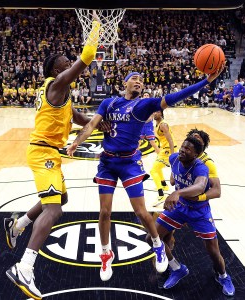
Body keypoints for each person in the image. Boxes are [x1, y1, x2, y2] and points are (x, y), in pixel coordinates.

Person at [67, 65, 224, 282]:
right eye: (134, 78)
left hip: (130, 163)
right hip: (108, 163)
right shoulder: (109, 102)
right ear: (125, 84)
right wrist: (76, 142)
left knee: (141, 212)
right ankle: (105, 253)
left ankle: (158, 245)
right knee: (104, 212)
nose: (139, 81)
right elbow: (91, 124)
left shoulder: (143, 105)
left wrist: (206, 82)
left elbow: (176, 96)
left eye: (141, 79)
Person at [3, 14, 107, 300]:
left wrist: (100, 122)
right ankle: (24, 267)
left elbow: (78, 117)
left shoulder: (61, 94)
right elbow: (87, 55)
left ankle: (19, 224)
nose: (68, 61)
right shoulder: (57, 83)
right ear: (55, 68)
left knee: (61, 198)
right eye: (64, 59)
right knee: (54, 210)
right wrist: (97, 23)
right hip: (42, 152)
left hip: (49, 151)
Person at [148, 133, 234, 296]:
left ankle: (223, 276)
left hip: (199, 211)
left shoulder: (205, 165)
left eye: (189, 147)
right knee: (153, 238)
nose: (183, 149)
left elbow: (206, 187)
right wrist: (177, 186)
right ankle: (176, 268)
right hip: (179, 207)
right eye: (184, 145)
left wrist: (182, 193)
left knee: (213, 251)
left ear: (199, 152)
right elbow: (173, 179)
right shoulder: (175, 158)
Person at [150, 109, 176, 204]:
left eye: (156, 112)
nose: (154, 113)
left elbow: (170, 140)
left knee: (153, 170)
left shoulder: (163, 125)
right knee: (157, 168)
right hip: (164, 149)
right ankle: (164, 185)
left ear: (161, 113)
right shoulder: (158, 124)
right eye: (153, 112)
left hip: (168, 150)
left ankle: (161, 195)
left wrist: (172, 155)